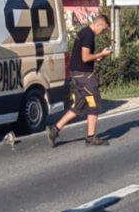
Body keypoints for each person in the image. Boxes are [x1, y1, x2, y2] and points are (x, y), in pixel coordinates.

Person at [47, 15, 112, 147]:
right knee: (95, 105)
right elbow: (85, 57)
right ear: (98, 25)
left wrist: (97, 58)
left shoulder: (83, 32)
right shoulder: (88, 35)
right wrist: (101, 54)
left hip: (76, 75)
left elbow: (84, 57)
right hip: (85, 77)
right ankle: (91, 137)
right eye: (103, 29)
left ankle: (54, 130)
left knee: (78, 106)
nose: (102, 32)